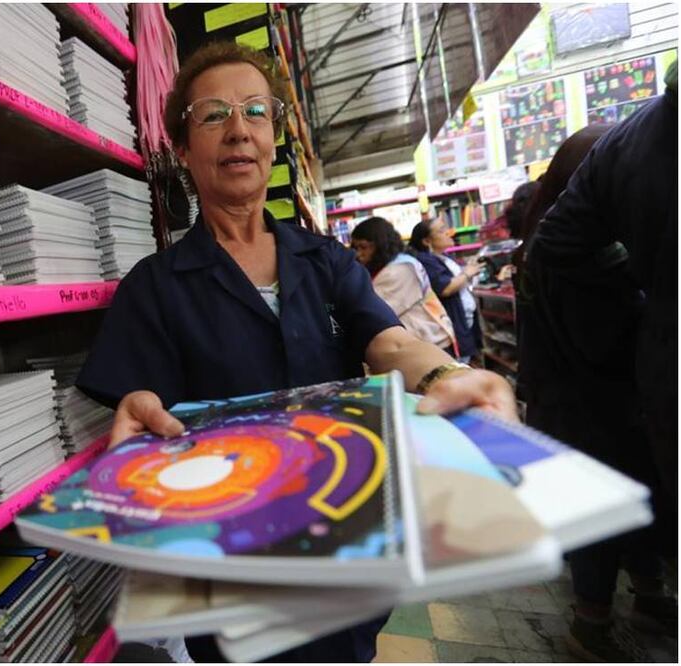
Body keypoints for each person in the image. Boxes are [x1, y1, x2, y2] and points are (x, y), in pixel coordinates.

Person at [75, 41, 517, 663]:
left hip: (345, 545)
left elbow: (387, 341)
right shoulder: (153, 288)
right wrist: (137, 415)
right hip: (235, 569)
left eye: (256, 111)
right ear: (182, 147)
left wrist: (446, 371)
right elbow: (143, 409)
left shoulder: (326, 260)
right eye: (213, 114)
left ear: (275, 138)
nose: (239, 130)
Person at [523, 63, 678, 660]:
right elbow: (599, 342)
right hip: (595, 414)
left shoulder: (542, 247)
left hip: (576, 410)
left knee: (627, 510)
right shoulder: (574, 259)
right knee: (605, 520)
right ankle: (591, 625)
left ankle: (642, 594)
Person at [350, 217, 457, 357]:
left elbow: (373, 314)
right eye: (355, 248)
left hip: (429, 346)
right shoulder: (395, 263)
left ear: (380, 245)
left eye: (363, 247)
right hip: (426, 342)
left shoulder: (399, 270)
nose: (358, 254)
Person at [408, 219, 482, 362]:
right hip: (452, 323)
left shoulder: (444, 256)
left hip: (463, 320)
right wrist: (467, 273)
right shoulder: (426, 260)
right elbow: (445, 288)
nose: (448, 233)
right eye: (441, 231)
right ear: (426, 241)